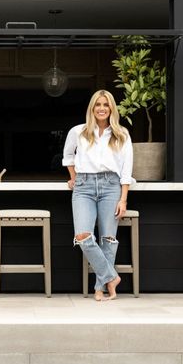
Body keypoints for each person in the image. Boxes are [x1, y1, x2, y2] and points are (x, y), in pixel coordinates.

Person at [62, 89, 134, 301]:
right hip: (83, 186)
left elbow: (126, 169)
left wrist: (123, 198)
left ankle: (100, 288)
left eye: (106, 104)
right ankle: (112, 277)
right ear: (92, 108)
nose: (102, 108)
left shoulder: (122, 134)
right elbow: (67, 156)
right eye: (98, 105)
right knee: (83, 236)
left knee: (108, 239)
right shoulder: (78, 131)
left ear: (112, 108)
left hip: (111, 185)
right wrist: (74, 177)